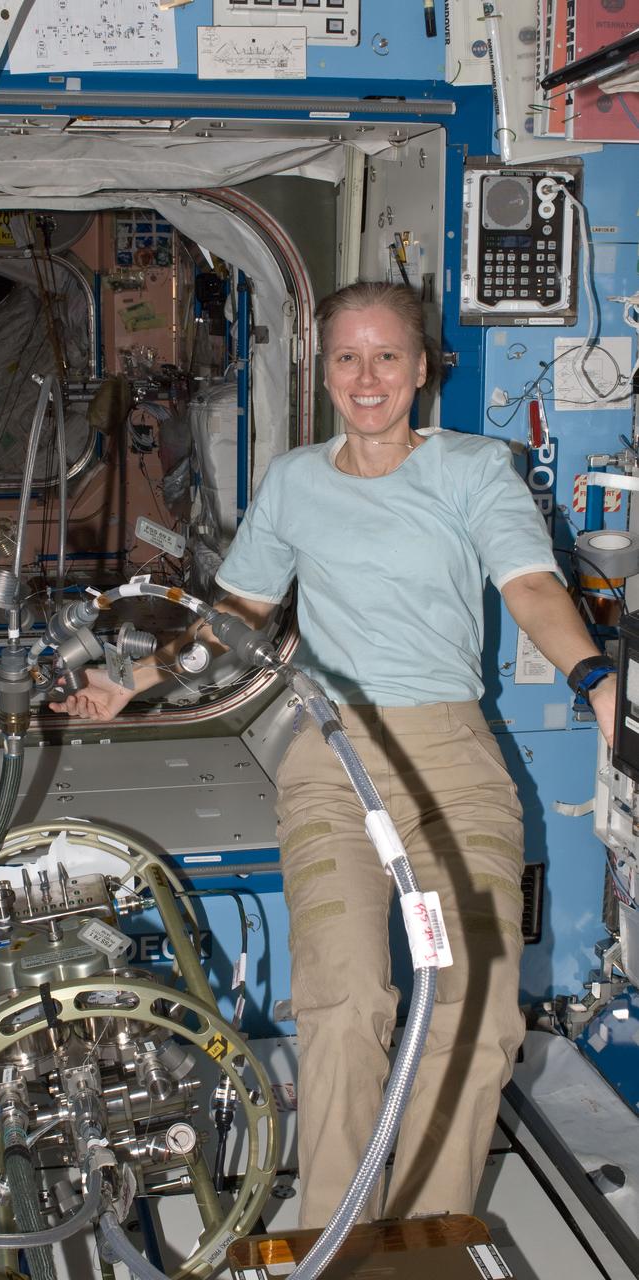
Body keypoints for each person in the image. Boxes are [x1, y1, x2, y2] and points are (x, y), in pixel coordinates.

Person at [52, 281, 617, 1227]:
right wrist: (132, 682)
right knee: (346, 1003)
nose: (367, 378)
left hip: (451, 761)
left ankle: (428, 1233)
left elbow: (530, 587)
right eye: (348, 358)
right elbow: (233, 618)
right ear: (324, 375)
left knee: (474, 1010)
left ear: (425, 369)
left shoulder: (478, 470)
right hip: (333, 763)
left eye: (388, 356)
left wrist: (593, 679)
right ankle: (334, 1236)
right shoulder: (295, 483)